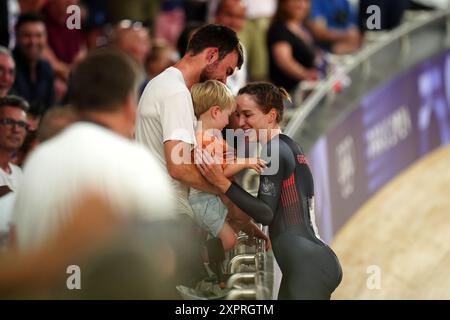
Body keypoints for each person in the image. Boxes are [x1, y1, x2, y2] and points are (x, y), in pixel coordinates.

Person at [10, 49, 175, 252]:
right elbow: (161, 260)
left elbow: (16, 242)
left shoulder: (38, 159)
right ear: (129, 102)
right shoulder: (136, 163)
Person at [195, 82, 342, 299]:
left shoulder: (273, 150)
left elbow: (265, 212)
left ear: (271, 116)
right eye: (237, 115)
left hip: (307, 266)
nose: (241, 122)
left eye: (248, 115)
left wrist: (222, 183)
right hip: (311, 262)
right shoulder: (288, 145)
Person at [189, 80, 267, 251]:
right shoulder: (204, 139)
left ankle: (209, 262)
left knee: (242, 217)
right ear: (216, 112)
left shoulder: (211, 136)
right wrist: (246, 162)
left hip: (212, 198)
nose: (229, 122)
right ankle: (195, 262)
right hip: (204, 201)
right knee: (229, 240)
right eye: (229, 115)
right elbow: (220, 172)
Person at [267, 0, 318, 96]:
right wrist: (307, 75)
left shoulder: (304, 28)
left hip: (308, 91)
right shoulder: (279, 30)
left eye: (305, 1)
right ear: (283, 3)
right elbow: (284, 61)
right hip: (291, 95)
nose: (301, 4)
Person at [12, 12, 55, 116]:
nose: (33, 42)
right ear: (16, 37)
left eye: (38, 35)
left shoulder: (47, 69)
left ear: (46, 38)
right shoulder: (7, 67)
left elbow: (50, 110)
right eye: (27, 36)